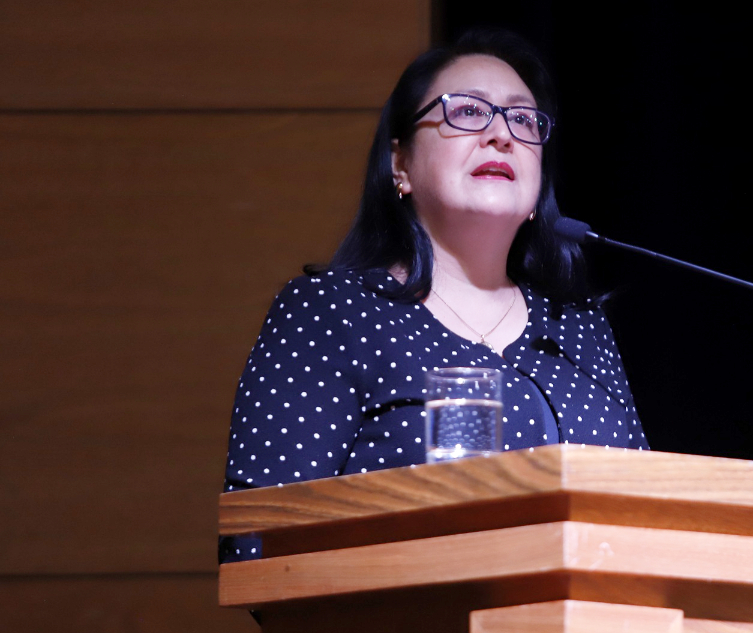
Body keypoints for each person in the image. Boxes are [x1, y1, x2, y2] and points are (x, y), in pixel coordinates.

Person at [219, 29, 649, 564]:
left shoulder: (579, 327)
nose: (502, 135)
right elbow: (258, 540)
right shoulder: (332, 313)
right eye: (467, 111)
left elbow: (644, 519)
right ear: (399, 164)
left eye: (522, 120)